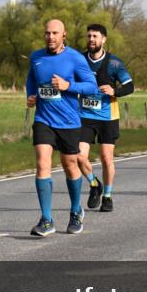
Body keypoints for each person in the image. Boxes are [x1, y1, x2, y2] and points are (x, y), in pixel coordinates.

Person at [26, 19, 99, 236]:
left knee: (70, 165)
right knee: (42, 163)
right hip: (43, 119)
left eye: (55, 33)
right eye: (47, 33)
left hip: (68, 121)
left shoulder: (75, 58)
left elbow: (92, 86)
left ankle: (76, 211)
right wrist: (30, 95)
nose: (50, 37)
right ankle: (46, 219)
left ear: (63, 35)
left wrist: (69, 86)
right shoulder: (36, 57)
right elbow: (31, 80)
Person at [77, 24, 134, 213]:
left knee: (106, 158)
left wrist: (114, 91)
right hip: (84, 115)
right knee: (79, 156)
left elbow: (129, 86)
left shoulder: (114, 63)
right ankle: (94, 184)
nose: (91, 39)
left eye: (95, 36)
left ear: (103, 39)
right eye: (89, 36)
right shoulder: (79, 60)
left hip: (107, 117)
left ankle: (107, 196)